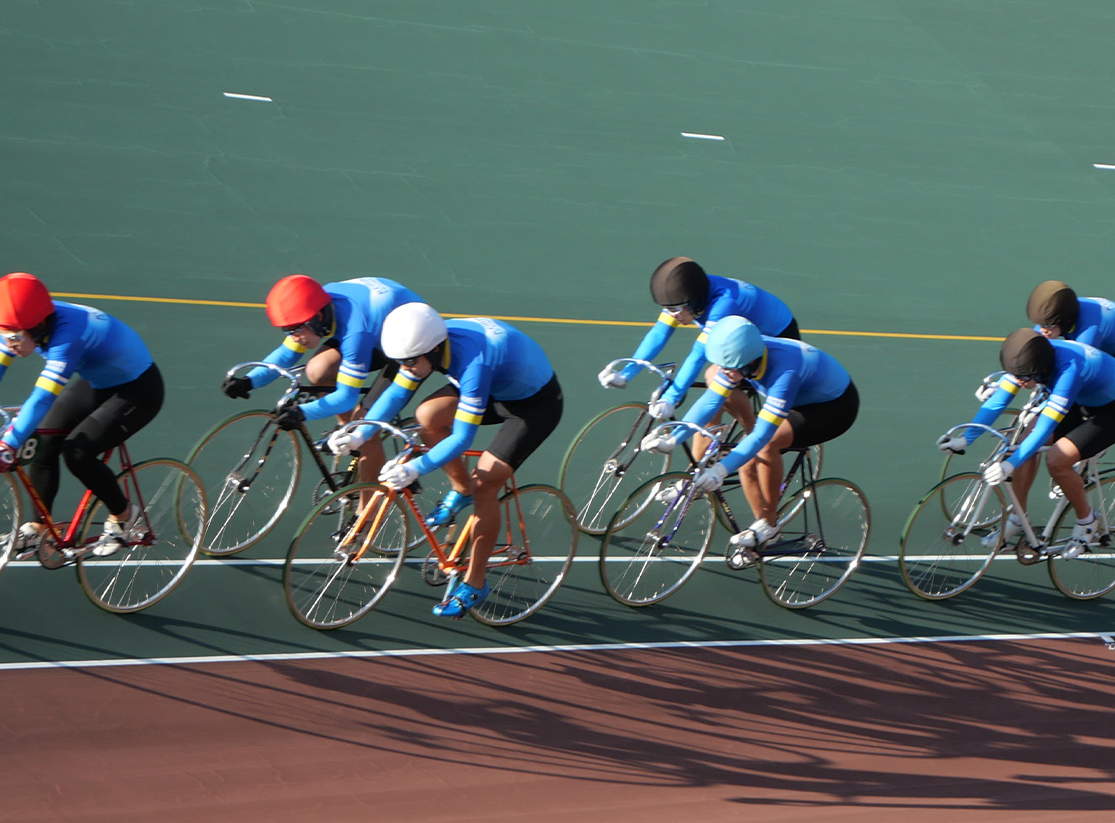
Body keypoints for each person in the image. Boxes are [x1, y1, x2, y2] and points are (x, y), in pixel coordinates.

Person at [340, 304, 563, 619]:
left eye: (409, 362)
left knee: (486, 481)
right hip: (493, 389)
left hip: (532, 406)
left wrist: (413, 468)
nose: (405, 367)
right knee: (427, 416)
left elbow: (462, 439)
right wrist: (359, 435)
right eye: (400, 362)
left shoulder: (474, 362)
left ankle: (475, 582)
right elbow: (395, 394)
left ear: (432, 351)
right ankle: (461, 491)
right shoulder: (426, 344)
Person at [0, 273, 161, 557]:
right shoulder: (22, 324)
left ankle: (125, 515)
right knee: (41, 442)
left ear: (37, 326)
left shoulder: (68, 338)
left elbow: (42, 398)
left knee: (77, 453)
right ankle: (38, 528)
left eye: (13, 337)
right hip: (97, 382)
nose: (9, 344)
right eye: (1, 335)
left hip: (137, 391)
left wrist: (9, 444)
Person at [640, 316, 858, 552]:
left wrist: (721, 470)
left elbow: (762, 436)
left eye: (730, 368)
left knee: (763, 448)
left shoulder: (785, 372)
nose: (725, 372)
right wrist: (673, 437)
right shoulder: (740, 356)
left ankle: (769, 526)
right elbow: (711, 401)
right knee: (743, 451)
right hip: (797, 394)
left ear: (750, 361)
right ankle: (762, 534)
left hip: (831, 409)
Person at [939, 328, 1115, 553]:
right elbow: (997, 402)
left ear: (1041, 370)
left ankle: (1087, 522)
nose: (1018, 381)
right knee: (1021, 441)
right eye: (1015, 376)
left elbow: (1044, 429)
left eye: (1023, 378)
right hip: (1079, 397)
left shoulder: (1067, 372)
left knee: (1057, 461)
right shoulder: (1027, 361)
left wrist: (1009, 465)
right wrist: (965, 439)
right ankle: (1017, 518)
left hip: (1112, 411)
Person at [224, 274, 420, 483]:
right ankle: (348, 432)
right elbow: (287, 353)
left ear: (318, 318)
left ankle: (367, 514)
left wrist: (301, 412)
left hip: (409, 344)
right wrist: (249, 381)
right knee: (317, 370)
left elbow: (346, 397)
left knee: (364, 427)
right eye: (288, 330)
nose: (294, 337)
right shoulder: (315, 307)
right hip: (377, 320)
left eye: (297, 329)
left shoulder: (356, 333)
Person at [603, 257, 799, 427]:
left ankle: (752, 433)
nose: (673, 315)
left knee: (715, 377)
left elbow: (698, 355)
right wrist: (626, 373)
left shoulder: (724, 304)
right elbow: (659, 334)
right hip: (742, 335)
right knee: (707, 419)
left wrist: (672, 398)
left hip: (776, 336)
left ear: (694, 301)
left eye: (676, 309)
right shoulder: (683, 298)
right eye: (668, 309)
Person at [1025, 281, 1115, 391]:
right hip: (1106, 349)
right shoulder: (1051, 316)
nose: (1043, 330)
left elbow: (1079, 365)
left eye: (1048, 326)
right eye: (1040, 324)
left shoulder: (1090, 327)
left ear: (1066, 320)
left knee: (1086, 389)